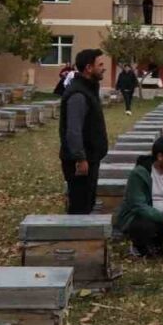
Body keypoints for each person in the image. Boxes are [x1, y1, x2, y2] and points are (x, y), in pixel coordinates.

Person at [59, 48, 109, 215]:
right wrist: (80, 159)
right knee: (80, 208)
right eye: (100, 64)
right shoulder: (78, 94)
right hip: (80, 162)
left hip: (90, 158)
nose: (104, 68)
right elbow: (73, 130)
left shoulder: (88, 89)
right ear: (88, 68)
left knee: (87, 203)